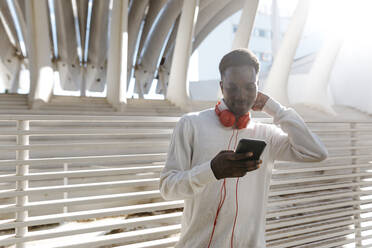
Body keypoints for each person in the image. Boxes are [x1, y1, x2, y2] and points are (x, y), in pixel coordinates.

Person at [159, 48, 328, 248]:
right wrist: (211, 170)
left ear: (258, 88)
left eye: (249, 87)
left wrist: (274, 108)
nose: (241, 96)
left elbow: (316, 152)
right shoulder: (191, 125)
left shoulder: (267, 135)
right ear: (222, 87)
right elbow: (168, 189)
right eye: (232, 88)